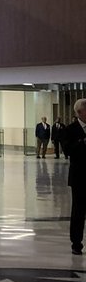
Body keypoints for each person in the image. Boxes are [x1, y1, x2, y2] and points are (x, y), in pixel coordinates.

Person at [59, 99, 86, 255]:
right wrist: (82, 142)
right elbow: (67, 150)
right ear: (80, 112)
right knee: (78, 211)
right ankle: (76, 243)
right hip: (79, 177)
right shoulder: (70, 129)